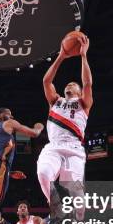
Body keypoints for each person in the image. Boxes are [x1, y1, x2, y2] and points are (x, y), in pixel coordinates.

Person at [37, 34, 91, 207]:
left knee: (75, 193)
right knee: (43, 173)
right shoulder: (56, 101)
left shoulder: (83, 103)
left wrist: (83, 56)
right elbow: (46, 81)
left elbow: (88, 82)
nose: (69, 85)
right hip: (53, 146)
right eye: (67, 84)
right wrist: (61, 56)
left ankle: (80, 220)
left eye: (73, 85)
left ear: (79, 91)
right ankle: (54, 204)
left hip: (74, 148)